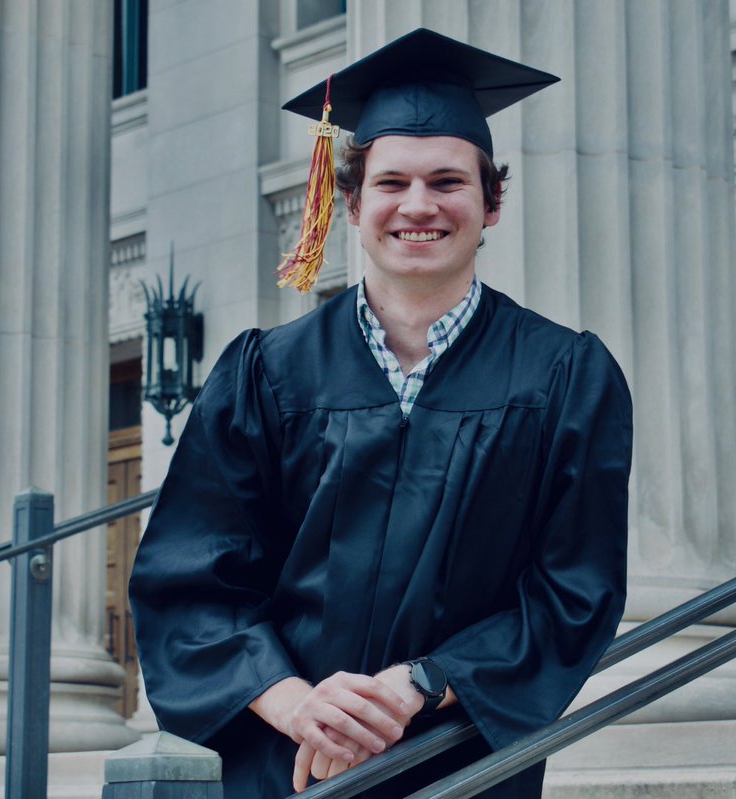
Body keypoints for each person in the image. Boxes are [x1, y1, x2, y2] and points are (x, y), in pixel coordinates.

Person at [129, 28, 632, 798]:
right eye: (392, 182)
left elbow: (572, 592)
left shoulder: (565, 376)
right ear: (354, 203)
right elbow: (192, 584)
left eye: (448, 181)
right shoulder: (267, 374)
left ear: (492, 202)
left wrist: (419, 683)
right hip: (286, 769)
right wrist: (302, 708)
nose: (419, 205)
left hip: (459, 764)